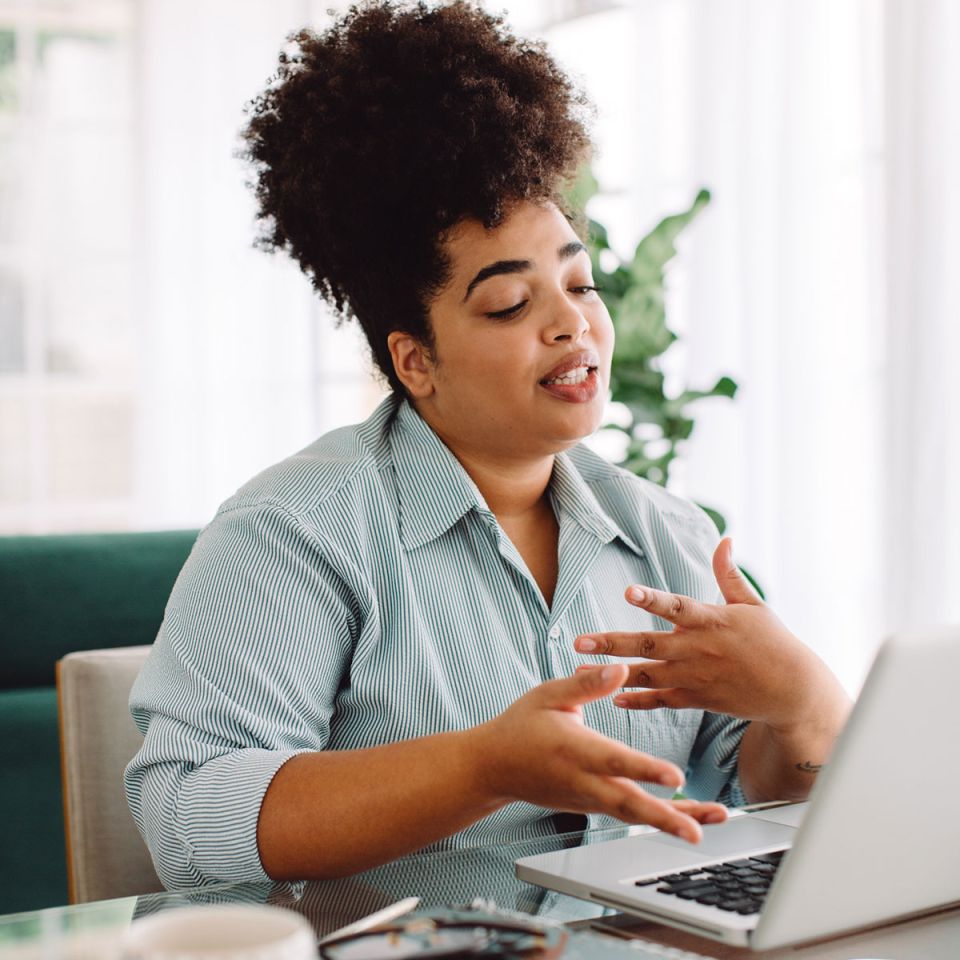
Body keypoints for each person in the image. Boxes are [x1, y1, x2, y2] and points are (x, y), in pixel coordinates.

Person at [125, 0, 851, 890]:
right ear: (415, 360)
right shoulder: (295, 531)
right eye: (509, 304)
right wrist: (483, 767)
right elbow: (188, 818)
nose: (571, 325)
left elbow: (757, 788)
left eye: (579, 283)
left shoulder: (667, 532)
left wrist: (803, 707)